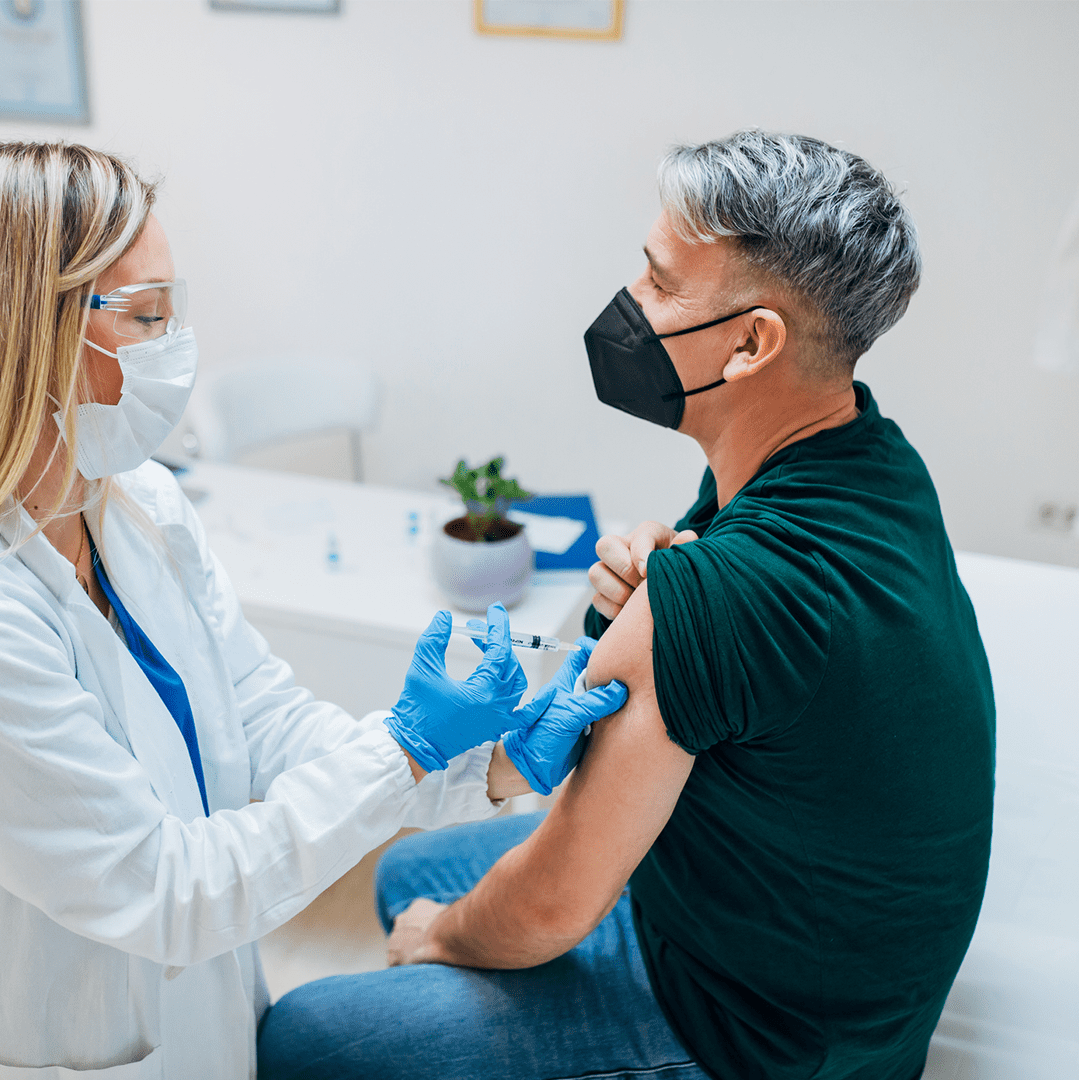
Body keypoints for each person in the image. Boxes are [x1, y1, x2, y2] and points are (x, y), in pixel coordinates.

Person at [0, 141, 629, 1080]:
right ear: (22, 334)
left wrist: (479, 765)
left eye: (175, 307)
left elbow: (261, 719)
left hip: (201, 995)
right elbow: (165, 888)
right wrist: (406, 747)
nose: (177, 344)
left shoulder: (138, 510)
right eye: (147, 314)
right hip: (52, 1030)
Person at [256, 131, 996, 1080]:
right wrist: (651, 608)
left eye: (658, 280)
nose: (630, 304)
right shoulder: (870, 458)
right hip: (778, 935)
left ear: (751, 343)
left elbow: (550, 909)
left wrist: (438, 941)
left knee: (307, 1037)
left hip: (760, 1035)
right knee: (403, 870)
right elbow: (756, 648)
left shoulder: (732, 586)